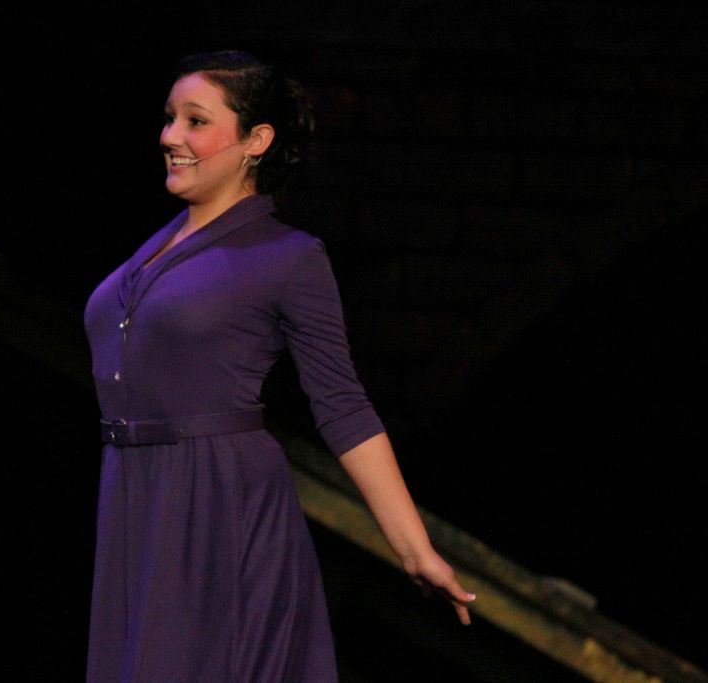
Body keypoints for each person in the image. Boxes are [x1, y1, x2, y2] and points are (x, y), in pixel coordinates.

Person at [83, 50, 475, 682]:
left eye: (195, 121)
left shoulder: (286, 257)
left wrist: (414, 548)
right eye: (170, 118)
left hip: (217, 503)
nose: (171, 136)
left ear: (256, 141)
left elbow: (343, 407)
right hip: (133, 494)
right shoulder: (158, 246)